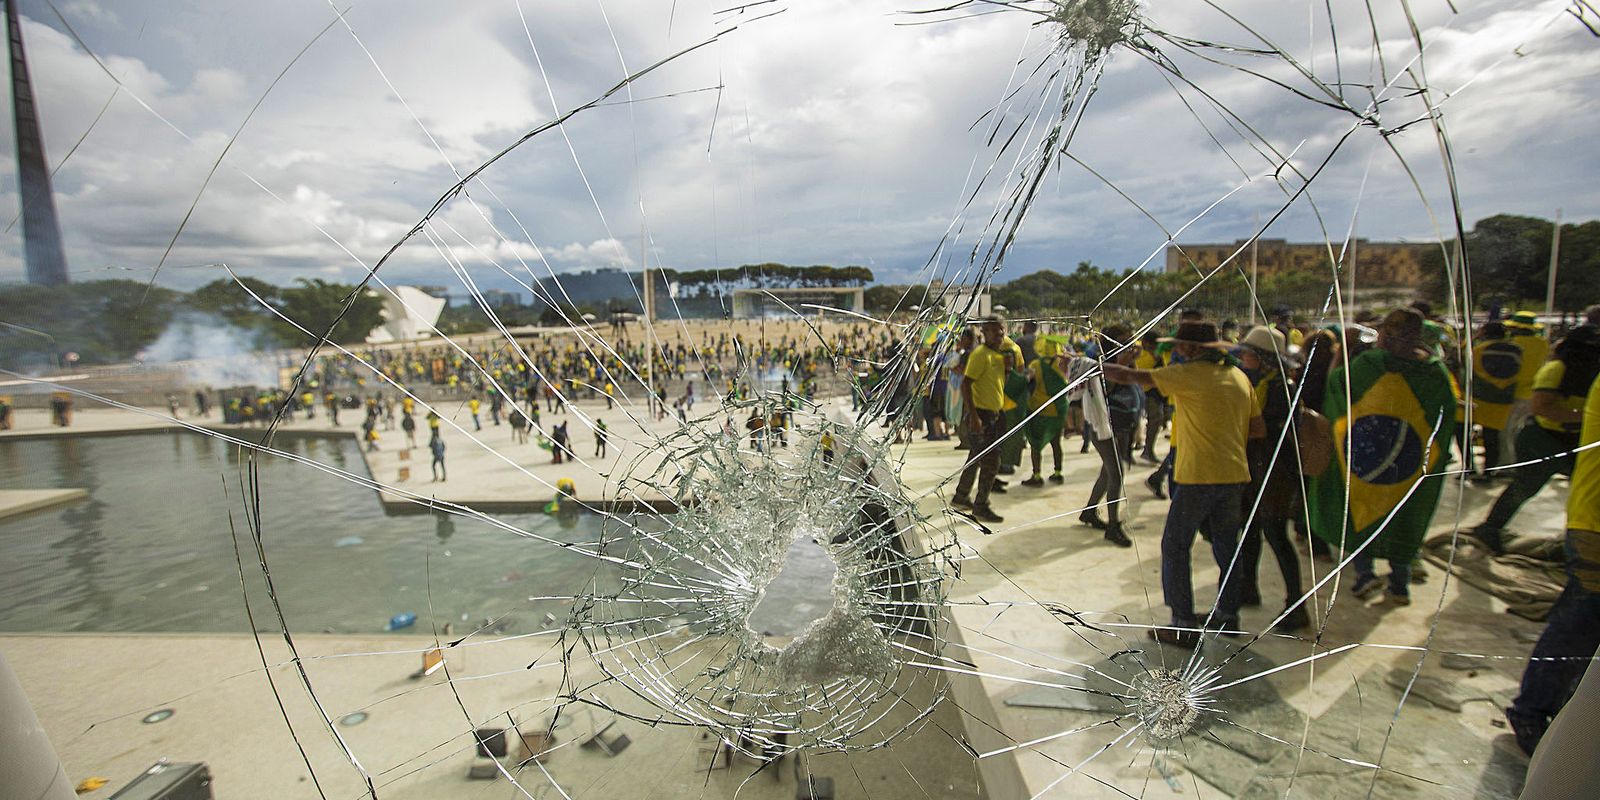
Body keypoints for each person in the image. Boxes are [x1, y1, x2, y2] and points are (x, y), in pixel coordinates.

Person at [1104, 320, 1259, 647]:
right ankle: (1228, 616)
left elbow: (1128, 376)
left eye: (1178, 345)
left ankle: (1183, 624)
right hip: (1234, 474)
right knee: (1227, 547)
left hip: (1197, 475)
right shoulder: (1239, 377)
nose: (1174, 350)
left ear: (1191, 348)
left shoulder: (1188, 375)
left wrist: (1084, 366)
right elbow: (1257, 429)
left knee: (1175, 546)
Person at [1310, 308, 1457, 605]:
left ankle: (1365, 575)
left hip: (1366, 459)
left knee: (1361, 511)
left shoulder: (1370, 364)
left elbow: (1337, 384)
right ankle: (1399, 584)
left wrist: (1345, 350)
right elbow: (1444, 417)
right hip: (1409, 464)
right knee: (1403, 515)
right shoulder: (1434, 371)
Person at [1504, 371, 1600, 757]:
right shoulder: (1557, 370)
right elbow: (1544, 404)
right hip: (1594, 523)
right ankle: (1533, 710)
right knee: (1581, 621)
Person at [1469, 325, 1600, 552]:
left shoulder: (1591, 373)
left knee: (1586, 492)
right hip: (1542, 439)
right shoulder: (1557, 369)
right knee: (1525, 486)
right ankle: (1489, 528)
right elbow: (1541, 407)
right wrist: (1587, 417)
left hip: (1574, 440)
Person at [1231, 326, 1310, 631]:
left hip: (1274, 472)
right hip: (1258, 468)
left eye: (1248, 353)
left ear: (1263, 358)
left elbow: (1264, 431)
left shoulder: (1279, 389)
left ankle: (1296, 604)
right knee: (1250, 530)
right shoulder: (1265, 383)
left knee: (1276, 535)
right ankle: (1248, 587)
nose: (1243, 357)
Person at [1080, 326, 1139, 547]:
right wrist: (1122, 364)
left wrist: (1130, 361)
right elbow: (1103, 389)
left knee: (1107, 472)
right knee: (1116, 472)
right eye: (1124, 341)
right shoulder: (1099, 361)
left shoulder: (1124, 360)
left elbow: (1133, 383)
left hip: (1123, 423)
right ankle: (1113, 525)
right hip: (1103, 425)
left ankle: (1089, 511)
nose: (1129, 345)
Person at [952, 316, 1011, 524]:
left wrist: (1008, 370)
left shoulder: (998, 356)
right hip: (981, 415)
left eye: (1001, 331)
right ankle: (980, 505)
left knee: (976, 457)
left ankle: (961, 496)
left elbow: (997, 386)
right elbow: (966, 385)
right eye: (994, 331)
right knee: (991, 462)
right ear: (984, 332)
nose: (1000, 335)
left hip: (993, 414)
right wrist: (975, 417)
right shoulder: (980, 354)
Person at [1467, 321, 1519, 480]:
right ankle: (1489, 471)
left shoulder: (1477, 350)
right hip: (1503, 400)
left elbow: (1465, 371)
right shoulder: (1518, 350)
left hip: (1477, 399)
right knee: (1492, 436)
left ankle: (1469, 468)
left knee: (1462, 433)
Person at [1021, 336, 1069, 487]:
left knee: (1035, 444)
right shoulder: (1062, 365)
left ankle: (1036, 475)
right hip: (1059, 409)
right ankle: (1058, 473)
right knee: (1056, 443)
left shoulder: (1036, 364)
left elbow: (1029, 382)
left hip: (1040, 408)